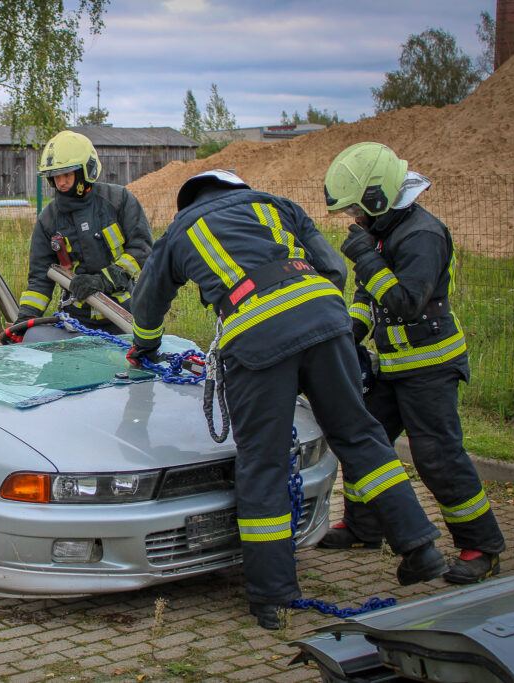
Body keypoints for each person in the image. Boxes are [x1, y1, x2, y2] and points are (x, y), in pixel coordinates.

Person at [127, 169, 448, 629]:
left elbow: (148, 304)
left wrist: (147, 344)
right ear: (238, 187)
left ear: (190, 199)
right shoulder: (276, 204)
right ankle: (420, 546)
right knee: (358, 435)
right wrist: (316, 324)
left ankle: (273, 597)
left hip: (256, 339)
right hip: (324, 319)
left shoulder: (182, 229)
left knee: (265, 461)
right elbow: (334, 269)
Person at [320, 142, 505, 584]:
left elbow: (404, 302)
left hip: (431, 367)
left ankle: (482, 544)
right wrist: (352, 335)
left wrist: (365, 257)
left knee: (437, 457)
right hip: (395, 367)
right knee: (367, 441)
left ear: (379, 198)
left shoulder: (422, 235)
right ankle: (365, 529)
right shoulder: (386, 233)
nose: (355, 220)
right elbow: (370, 296)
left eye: (357, 211)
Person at [13, 130, 153, 335]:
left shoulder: (118, 200)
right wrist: (24, 323)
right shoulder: (48, 219)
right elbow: (40, 279)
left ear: (85, 171)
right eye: (55, 176)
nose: (60, 183)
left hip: (124, 316)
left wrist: (104, 280)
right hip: (76, 321)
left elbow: (142, 248)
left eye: (67, 174)